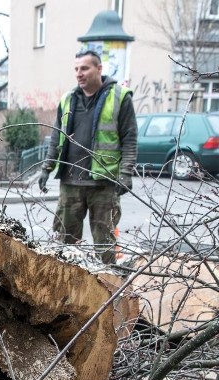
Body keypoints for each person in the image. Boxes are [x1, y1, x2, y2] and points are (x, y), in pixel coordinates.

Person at [38, 49, 137, 265]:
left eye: (84, 68)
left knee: (104, 242)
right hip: (71, 182)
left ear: (99, 69)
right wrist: (47, 167)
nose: (79, 73)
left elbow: (130, 139)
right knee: (66, 244)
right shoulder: (68, 100)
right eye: (76, 69)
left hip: (103, 183)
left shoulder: (119, 97)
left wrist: (126, 173)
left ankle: (107, 287)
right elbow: (56, 136)